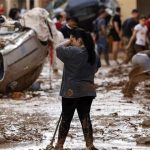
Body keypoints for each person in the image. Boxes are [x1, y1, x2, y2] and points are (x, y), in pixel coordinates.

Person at [47, 28, 100, 150]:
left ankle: (59, 145)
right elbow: (96, 70)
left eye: (72, 39)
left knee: (66, 118)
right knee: (85, 117)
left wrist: (68, 42)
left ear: (79, 40)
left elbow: (58, 48)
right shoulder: (94, 54)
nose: (70, 41)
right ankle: (89, 144)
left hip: (71, 91)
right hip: (88, 91)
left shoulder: (72, 52)